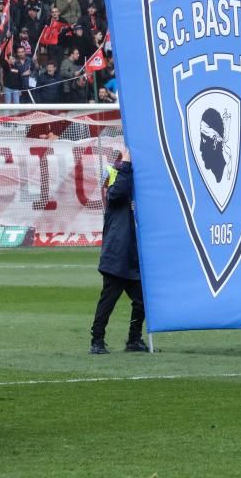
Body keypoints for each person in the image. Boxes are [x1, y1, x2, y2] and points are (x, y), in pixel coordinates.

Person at [89, 149, 148, 354]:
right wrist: (127, 164)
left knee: (142, 300)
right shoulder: (114, 195)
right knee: (108, 302)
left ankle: (134, 339)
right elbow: (120, 189)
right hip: (116, 258)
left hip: (130, 258)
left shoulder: (130, 197)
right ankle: (97, 340)